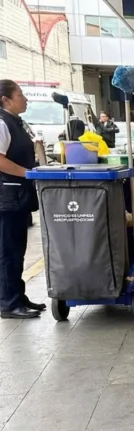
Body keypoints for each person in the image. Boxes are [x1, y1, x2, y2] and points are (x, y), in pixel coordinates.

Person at [0, 80, 46, 319]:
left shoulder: (14, 121)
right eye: (20, 95)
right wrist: (29, 173)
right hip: (6, 197)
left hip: (18, 196)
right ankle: (8, 303)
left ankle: (18, 295)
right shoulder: (1, 123)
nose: (25, 99)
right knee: (8, 251)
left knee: (18, 250)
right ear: (5, 100)